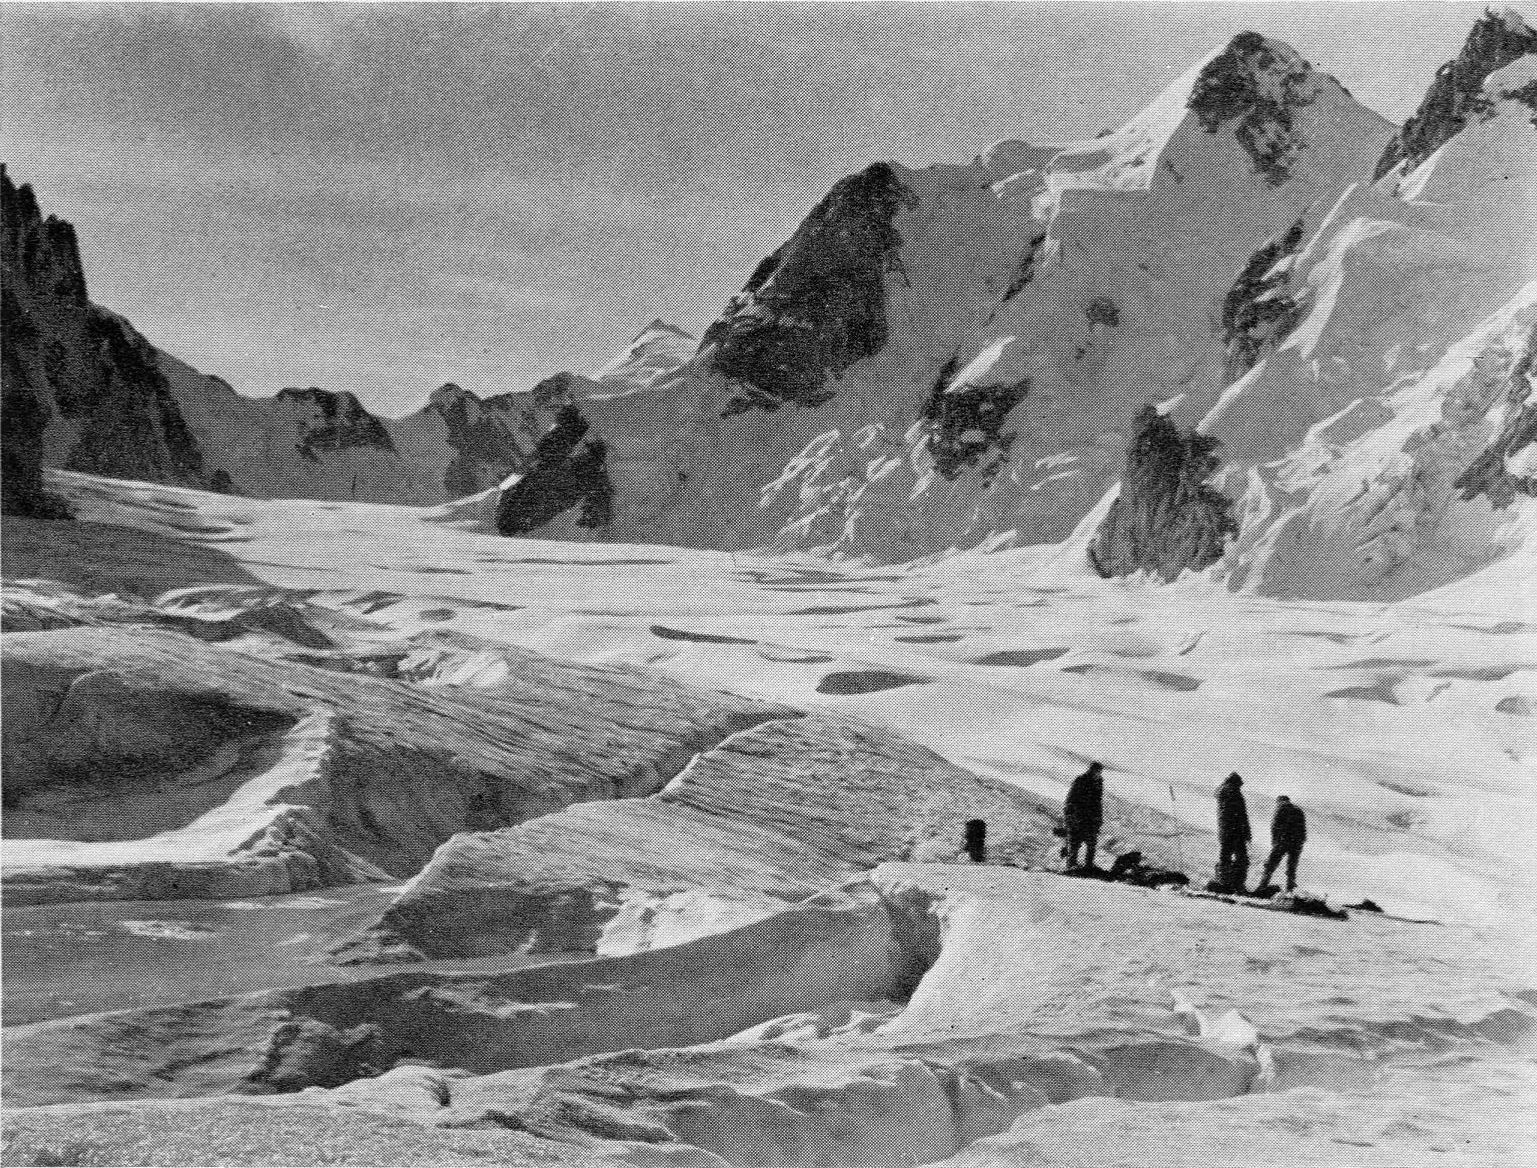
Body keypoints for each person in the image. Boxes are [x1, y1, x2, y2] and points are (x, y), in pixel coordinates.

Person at [1260, 795, 1307, 891]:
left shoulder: (1281, 808)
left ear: (1279, 801)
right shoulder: (1298, 810)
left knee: (1271, 864)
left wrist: (1274, 842)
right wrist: (1301, 842)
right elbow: (1303, 829)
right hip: (1297, 842)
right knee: (1292, 866)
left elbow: (1274, 826)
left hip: (1283, 841)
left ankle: (1263, 885)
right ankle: (1290, 888)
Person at [1063, 762, 1105, 870]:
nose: (1098, 774)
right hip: (1078, 815)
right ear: (1092, 770)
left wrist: (1098, 817)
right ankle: (1071, 865)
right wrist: (1071, 815)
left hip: (1091, 818)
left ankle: (1089, 865)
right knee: (1075, 841)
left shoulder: (1099, 783)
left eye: (1099, 772)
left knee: (1091, 842)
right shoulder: (1081, 780)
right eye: (1097, 771)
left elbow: (1098, 802)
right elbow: (1071, 798)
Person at [1215, 772, 1251, 892]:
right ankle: (1237, 885)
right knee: (1242, 858)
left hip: (1225, 831)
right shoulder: (1234, 792)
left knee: (1225, 856)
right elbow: (1241, 815)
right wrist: (1246, 832)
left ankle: (1223, 882)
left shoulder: (1222, 791)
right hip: (1236, 831)